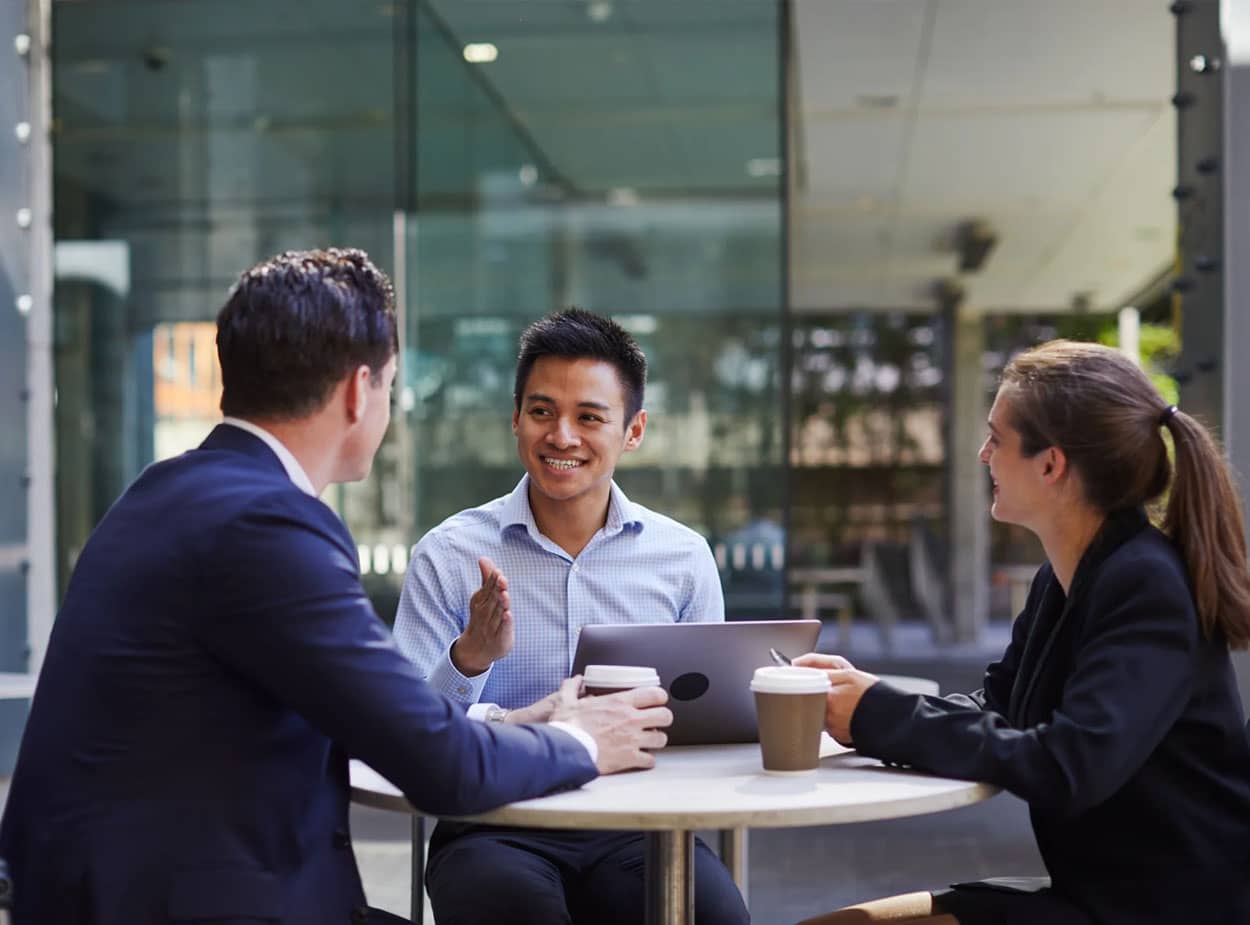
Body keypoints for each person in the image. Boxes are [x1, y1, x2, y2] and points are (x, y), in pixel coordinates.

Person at [0, 250, 672, 925]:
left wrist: (527, 717)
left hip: (108, 890)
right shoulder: (268, 525)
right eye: (389, 386)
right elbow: (439, 767)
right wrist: (585, 740)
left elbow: (375, 715)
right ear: (358, 391)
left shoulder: (165, 490)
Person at [795, 339, 1250, 925]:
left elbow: (1070, 765)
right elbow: (1002, 708)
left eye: (997, 439)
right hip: (1098, 895)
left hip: (1162, 910)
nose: (983, 455)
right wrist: (865, 702)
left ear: (1051, 464)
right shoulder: (1063, 579)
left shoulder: (1147, 583)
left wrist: (879, 714)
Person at [393, 308, 750, 925]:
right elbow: (403, 737)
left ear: (633, 430)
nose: (561, 435)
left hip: (642, 830)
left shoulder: (683, 558)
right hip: (494, 824)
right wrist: (468, 658)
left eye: (589, 416)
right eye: (541, 411)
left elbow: (706, 723)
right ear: (515, 418)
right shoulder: (449, 555)